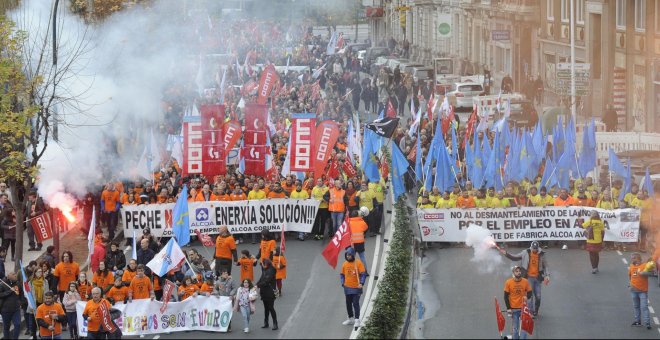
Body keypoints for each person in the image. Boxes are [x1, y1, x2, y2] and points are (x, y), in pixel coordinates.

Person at [499, 241, 549, 317]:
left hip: (538, 278)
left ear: (538, 248)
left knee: (538, 297)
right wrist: (506, 253)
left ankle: (536, 310)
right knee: (530, 296)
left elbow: (546, 266)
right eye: (533, 249)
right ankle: (530, 312)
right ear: (531, 247)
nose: (534, 250)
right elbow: (515, 257)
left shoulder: (542, 254)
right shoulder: (525, 252)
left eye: (535, 249)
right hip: (528, 278)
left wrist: (547, 275)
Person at [503, 266, 532, 339]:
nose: (519, 272)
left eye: (519, 271)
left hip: (523, 309)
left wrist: (527, 297)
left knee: (524, 328)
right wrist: (508, 308)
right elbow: (505, 296)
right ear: (513, 273)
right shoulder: (508, 282)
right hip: (514, 309)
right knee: (515, 328)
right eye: (517, 271)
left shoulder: (525, 281)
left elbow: (530, 292)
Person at [340, 247, 367, 328]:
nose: (348, 256)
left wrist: (361, 283)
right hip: (347, 288)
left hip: (356, 287)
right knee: (348, 303)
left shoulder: (358, 263)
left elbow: (363, 274)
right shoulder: (344, 264)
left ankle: (357, 320)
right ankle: (350, 318)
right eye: (347, 255)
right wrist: (343, 283)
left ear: (353, 255)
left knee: (355, 303)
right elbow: (342, 274)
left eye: (350, 255)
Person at [628, 253, 653, 329]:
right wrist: (630, 285)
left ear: (637, 258)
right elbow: (630, 276)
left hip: (642, 291)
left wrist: (644, 273)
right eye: (631, 258)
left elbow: (651, 273)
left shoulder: (644, 265)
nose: (632, 260)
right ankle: (637, 321)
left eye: (633, 258)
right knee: (636, 306)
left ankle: (647, 323)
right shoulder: (631, 266)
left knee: (644, 307)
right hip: (633, 290)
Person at [257, 259, 278, 330]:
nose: (262, 265)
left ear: (266, 264)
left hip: (270, 292)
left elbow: (266, 281)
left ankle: (275, 324)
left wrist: (257, 286)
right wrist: (256, 284)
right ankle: (266, 322)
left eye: (262, 264)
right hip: (264, 291)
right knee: (266, 308)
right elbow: (261, 278)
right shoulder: (264, 269)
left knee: (271, 307)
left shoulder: (271, 271)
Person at [0, 272, 22, 340]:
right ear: (9, 276)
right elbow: (0, 294)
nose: (16, 276)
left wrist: (21, 302)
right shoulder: (2, 284)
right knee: (6, 327)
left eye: (15, 275)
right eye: (14, 274)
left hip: (16, 309)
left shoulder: (17, 283)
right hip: (5, 310)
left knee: (17, 324)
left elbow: (21, 293)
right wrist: (10, 291)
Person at [350, 208, 370, 275]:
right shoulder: (362, 222)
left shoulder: (349, 223)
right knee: (362, 257)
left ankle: (352, 272)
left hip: (352, 243)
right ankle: (365, 271)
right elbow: (366, 228)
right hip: (360, 243)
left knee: (352, 258)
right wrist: (361, 219)